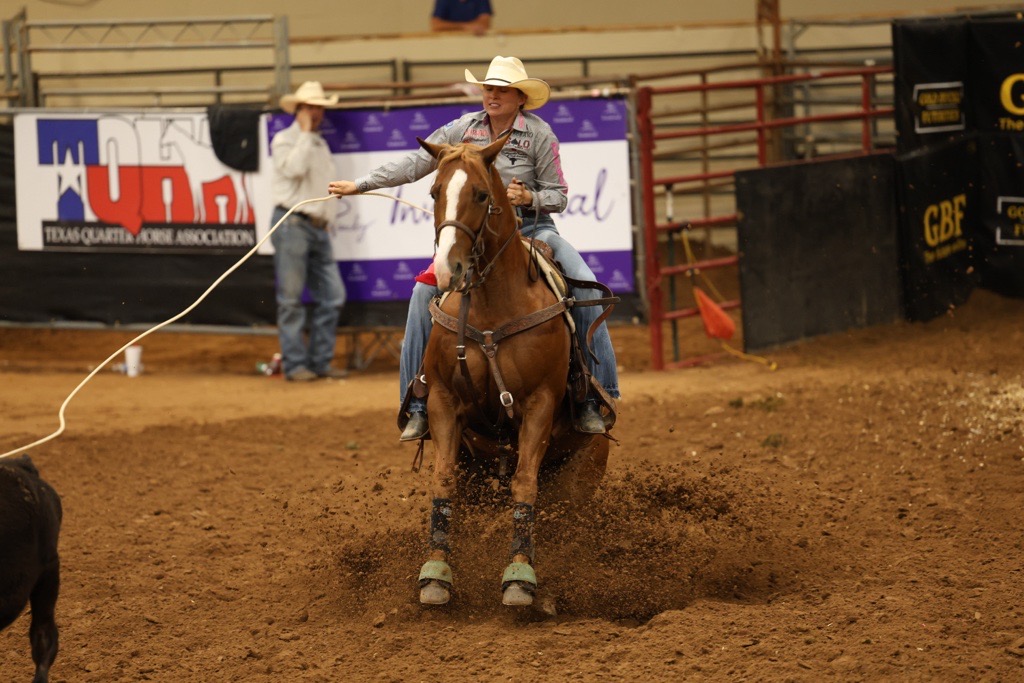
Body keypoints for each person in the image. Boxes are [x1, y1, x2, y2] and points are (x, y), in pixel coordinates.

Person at [328, 56, 619, 437]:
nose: (492, 95)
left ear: (519, 98)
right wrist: (361, 184)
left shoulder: (539, 134)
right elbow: (417, 162)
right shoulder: (462, 129)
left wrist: (529, 196)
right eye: (488, 88)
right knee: (422, 293)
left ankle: (594, 395)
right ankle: (416, 402)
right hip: (476, 240)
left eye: (501, 89)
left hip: (532, 232)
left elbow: (558, 195)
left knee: (584, 284)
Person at [271, 81, 349, 382]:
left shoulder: (318, 142)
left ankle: (317, 362)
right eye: (311, 107)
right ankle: (295, 365)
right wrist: (304, 132)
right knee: (290, 299)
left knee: (332, 296)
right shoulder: (285, 140)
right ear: (300, 110)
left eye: (319, 107)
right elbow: (294, 170)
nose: (317, 112)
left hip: (315, 227)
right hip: (292, 223)